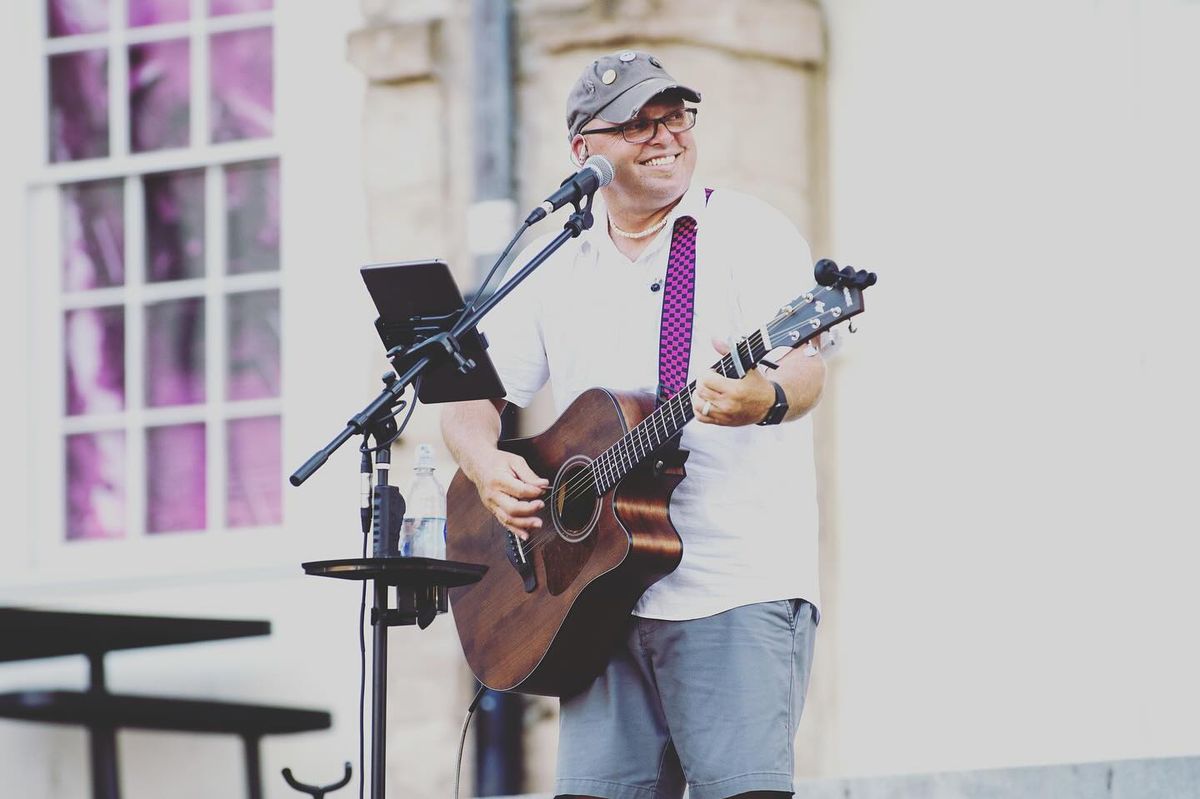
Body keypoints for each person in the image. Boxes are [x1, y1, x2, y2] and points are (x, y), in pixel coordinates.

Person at [441, 50, 826, 799]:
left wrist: (762, 400)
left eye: (675, 116)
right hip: (594, 602)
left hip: (732, 587)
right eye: (637, 124)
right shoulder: (558, 260)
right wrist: (486, 466)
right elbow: (469, 397)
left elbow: (806, 371)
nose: (664, 137)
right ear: (586, 150)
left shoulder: (747, 231)